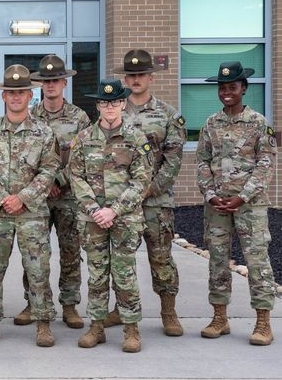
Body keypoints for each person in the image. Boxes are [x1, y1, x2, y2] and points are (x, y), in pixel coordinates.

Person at [0, 65, 60, 348]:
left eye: (21, 92)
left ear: (30, 95)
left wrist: (22, 197)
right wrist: (2, 199)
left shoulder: (44, 133)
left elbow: (49, 170)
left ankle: (43, 323)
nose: (15, 97)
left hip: (32, 214)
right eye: (10, 93)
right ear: (3, 97)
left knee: (38, 271)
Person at [69, 79, 152, 353]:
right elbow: (76, 177)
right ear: (97, 105)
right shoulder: (83, 139)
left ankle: (131, 329)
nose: (110, 107)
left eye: (115, 102)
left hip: (124, 219)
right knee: (96, 274)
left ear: (123, 103)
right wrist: (95, 210)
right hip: (93, 220)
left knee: (124, 274)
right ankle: (96, 326)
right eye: (104, 102)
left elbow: (142, 181)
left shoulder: (136, 138)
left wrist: (113, 210)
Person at [196, 61, 276, 346]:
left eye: (232, 87)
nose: (226, 92)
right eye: (222, 87)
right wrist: (210, 194)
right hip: (216, 206)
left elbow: (266, 164)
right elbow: (202, 161)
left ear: (243, 89)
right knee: (217, 260)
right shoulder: (210, 124)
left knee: (257, 262)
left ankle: (263, 322)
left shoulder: (258, 123)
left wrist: (243, 196)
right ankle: (220, 318)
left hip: (249, 206)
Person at [107, 49, 185, 336]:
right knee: (121, 258)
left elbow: (173, 160)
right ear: (124, 78)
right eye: (130, 75)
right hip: (121, 203)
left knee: (161, 257)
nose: (135, 79)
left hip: (155, 201)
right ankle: (121, 308)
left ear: (151, 77)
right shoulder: (113, 111)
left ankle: (168, 310)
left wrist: (148, 189)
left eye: (140, 74)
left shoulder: (167, 115)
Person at [20, 55, 90, 330]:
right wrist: (44, 184)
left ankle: (70, 304)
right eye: (45, 81)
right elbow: (23, 156)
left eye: (55, 81)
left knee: (70, 251)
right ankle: (32, 302)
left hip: (69, 196)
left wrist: (58, 179)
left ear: (64, 82)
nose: (50, 85)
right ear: (39, 85)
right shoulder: (30, 116)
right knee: (34, 253)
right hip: (37, 198)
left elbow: (84, 157)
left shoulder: (79, 118)